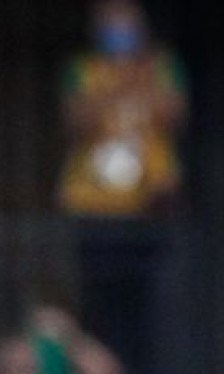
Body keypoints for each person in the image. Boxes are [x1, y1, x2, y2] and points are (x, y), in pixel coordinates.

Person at [58, 0, 188, 218]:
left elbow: (175, 115)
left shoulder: (163, 65)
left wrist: (138, 82)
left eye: (125, 23)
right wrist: (114, 91)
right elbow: (74, 120)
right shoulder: (81, 69)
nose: (119, 31)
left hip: (154, 194)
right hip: (92, 193)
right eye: (110, 24)